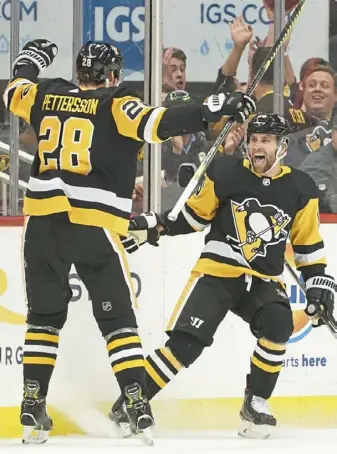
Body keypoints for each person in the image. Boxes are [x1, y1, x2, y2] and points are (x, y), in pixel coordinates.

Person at [2, 38, 255, 444]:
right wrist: (216, 108)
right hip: (94, 226)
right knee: (118, 321)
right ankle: (137, 403)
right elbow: (159, 122)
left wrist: (30, 61)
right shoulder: (115, 102)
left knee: (44, 319)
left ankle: (33, 403)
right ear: (112, 75)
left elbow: (14, 89)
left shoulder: (46, 93)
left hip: (41, 226)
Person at [110, 113, 335, 439]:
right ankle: (130, 402)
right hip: (218, 271)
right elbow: (193, 216)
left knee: (278, 322)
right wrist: (155, 226)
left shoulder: (301, 188)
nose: (258, 146)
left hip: (263, 279)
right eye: (254, 139)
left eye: (266, 140)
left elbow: (308, 244)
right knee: (185, 345)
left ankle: (255, 401)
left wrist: (318, 284)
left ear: (282, 146)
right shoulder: (226, 171)